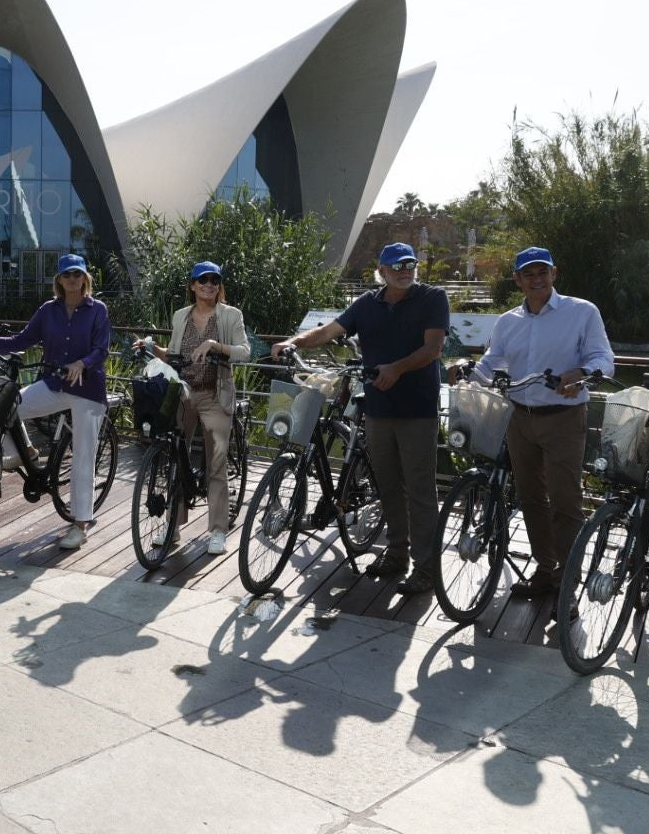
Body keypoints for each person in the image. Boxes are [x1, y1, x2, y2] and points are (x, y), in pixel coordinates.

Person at [274, 243, 448, 593]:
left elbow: (433, 349)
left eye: (410, 263)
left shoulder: (433, 297)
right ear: (382, 271)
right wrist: (293, 341)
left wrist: (396, 369)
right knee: (388, 487)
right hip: (378, 410)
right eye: (396, 265)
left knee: (420, 491)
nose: (405, 269)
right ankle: (397, 554)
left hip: (417, 410)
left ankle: (427, 570)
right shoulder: (367, 304)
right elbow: (327, 332)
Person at [470, 246, 614, 599]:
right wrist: (468, 373)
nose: (537, 280)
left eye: (542, 272)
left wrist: (581, 373)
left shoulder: (582, 312)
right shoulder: (507, 321)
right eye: (528, 274)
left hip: (564, 418)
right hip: (519, 417)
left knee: (566, 502)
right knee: (530, 497)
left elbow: (604, 358)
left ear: (554, 274)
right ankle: (545, 570)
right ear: (517, 279)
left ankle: (568, 583)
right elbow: (491, 361)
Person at [0, 253, 111, 551]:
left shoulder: (97, 310)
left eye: (77, 274)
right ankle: (27, 452)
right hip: (55, 383)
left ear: (85, 278)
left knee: (84, 456)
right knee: (8, 406)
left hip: (88, 389)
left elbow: (102, 349)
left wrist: (82, 363)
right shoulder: (48, 310)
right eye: (66, 275)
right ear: (59, 280)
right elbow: (23, 339)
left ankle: (80, 525)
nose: (72, 279)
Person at [145, 261, 250, 554]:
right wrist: (151, 347)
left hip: (215, 395)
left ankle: (217, 530)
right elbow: (174, 355)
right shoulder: (181, 316)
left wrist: (216, 346)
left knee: (216, 462)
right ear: (192, 286)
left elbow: (244, 351)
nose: (209, 284)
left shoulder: (230, 315)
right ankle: (173, 527)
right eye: (203, 280)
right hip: (184, 393)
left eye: (215, 280)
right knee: (175, 456)